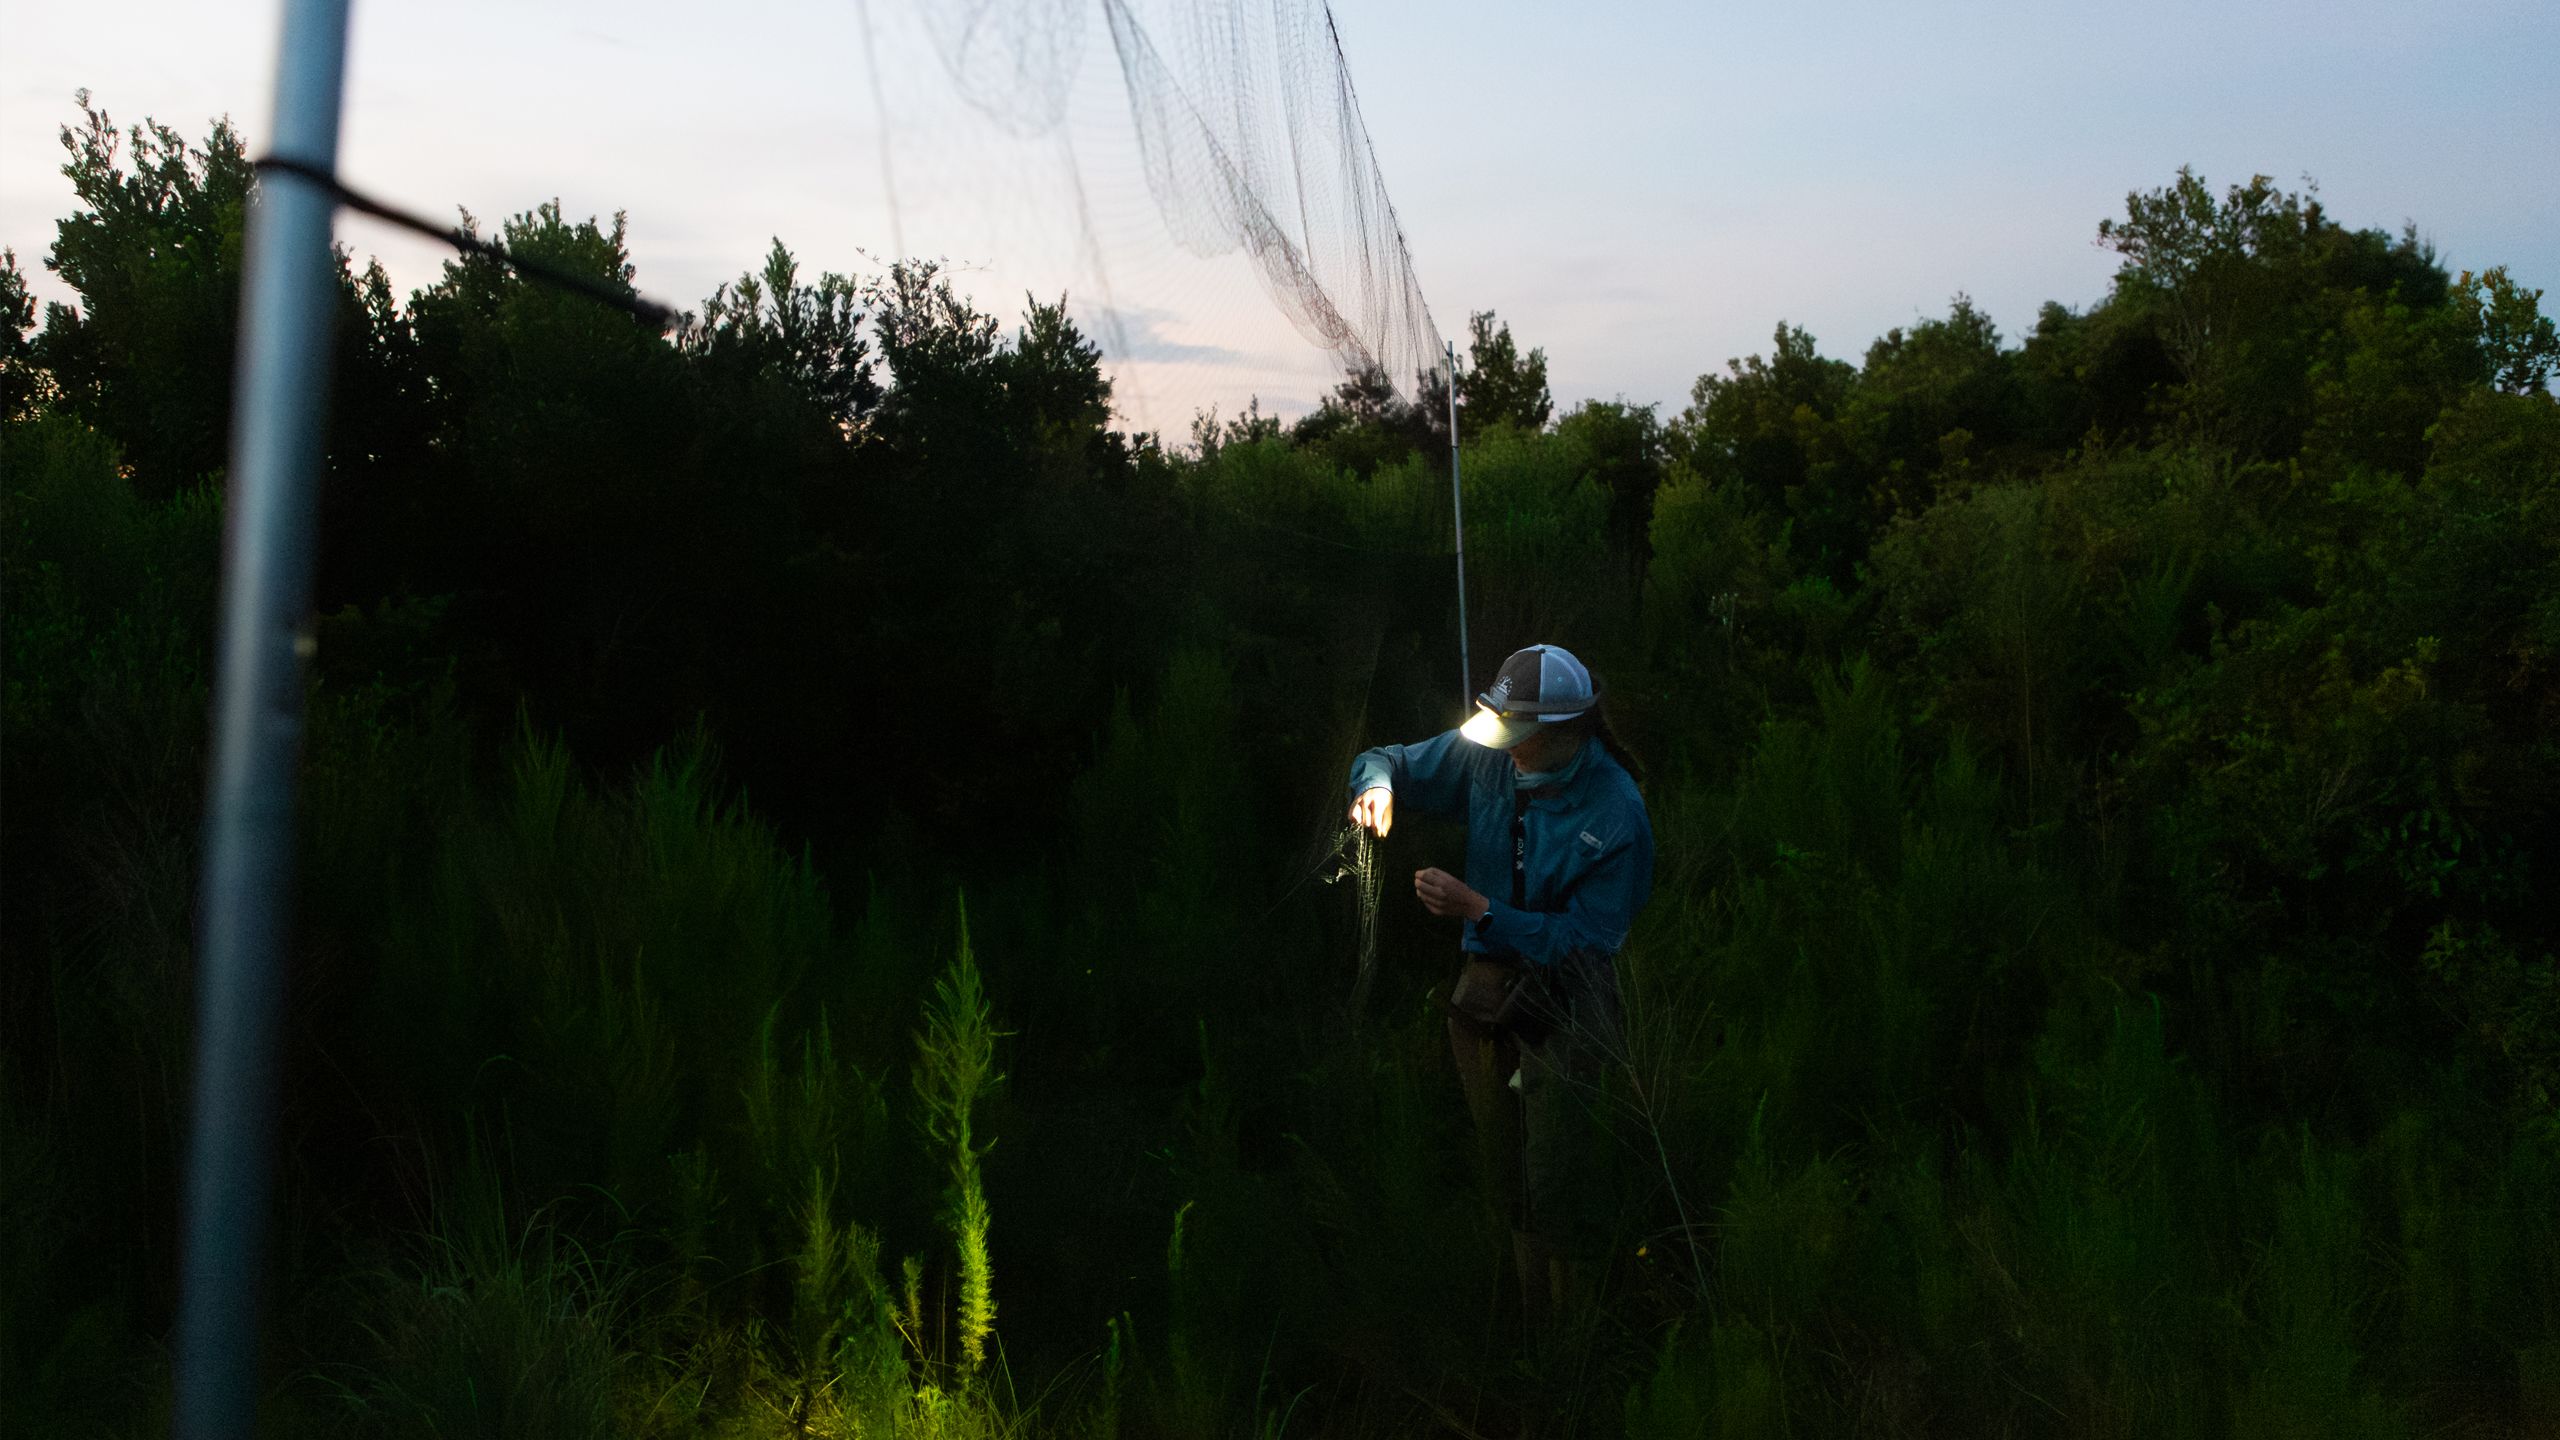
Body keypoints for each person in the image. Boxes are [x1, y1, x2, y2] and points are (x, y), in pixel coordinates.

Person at [1345, 643, 1654, 1331]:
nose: (1505, 750)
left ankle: (1571, 1341)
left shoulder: (1616, 812)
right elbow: (1387, 757)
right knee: (1502, 1164)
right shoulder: (1488, 756)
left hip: (1568, 1001)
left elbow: (1590, 941)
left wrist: (1480, 910)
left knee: (1556, 1176)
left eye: (1520, 738)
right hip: (1484, 994)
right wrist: (1376, 787)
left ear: (1563, 732)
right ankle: (1525, 1316)